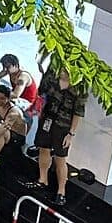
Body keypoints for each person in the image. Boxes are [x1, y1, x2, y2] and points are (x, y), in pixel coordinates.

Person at [33, 70, 84, 199]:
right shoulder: (51, 78)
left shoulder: (79, 87)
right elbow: (41, 93)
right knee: (43, 149)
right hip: (47, 119)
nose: (61, 72)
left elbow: (78, 113)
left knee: (60, 158)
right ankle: (42, 179)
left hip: (63, 126)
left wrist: (71, 133)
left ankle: (61, 191)